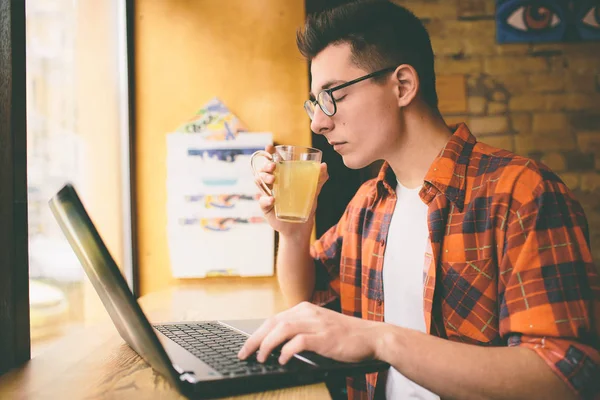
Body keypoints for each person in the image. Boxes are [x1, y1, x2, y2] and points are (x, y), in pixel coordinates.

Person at [238, 0, 600, 398]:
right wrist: (293, 234)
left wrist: (382, 340)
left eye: (332, 95)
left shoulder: (521, 193)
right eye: (314, 103)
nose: (318, 122)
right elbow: (306, 300)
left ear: (403, 86)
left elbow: (564, 378)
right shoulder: (369, 203)